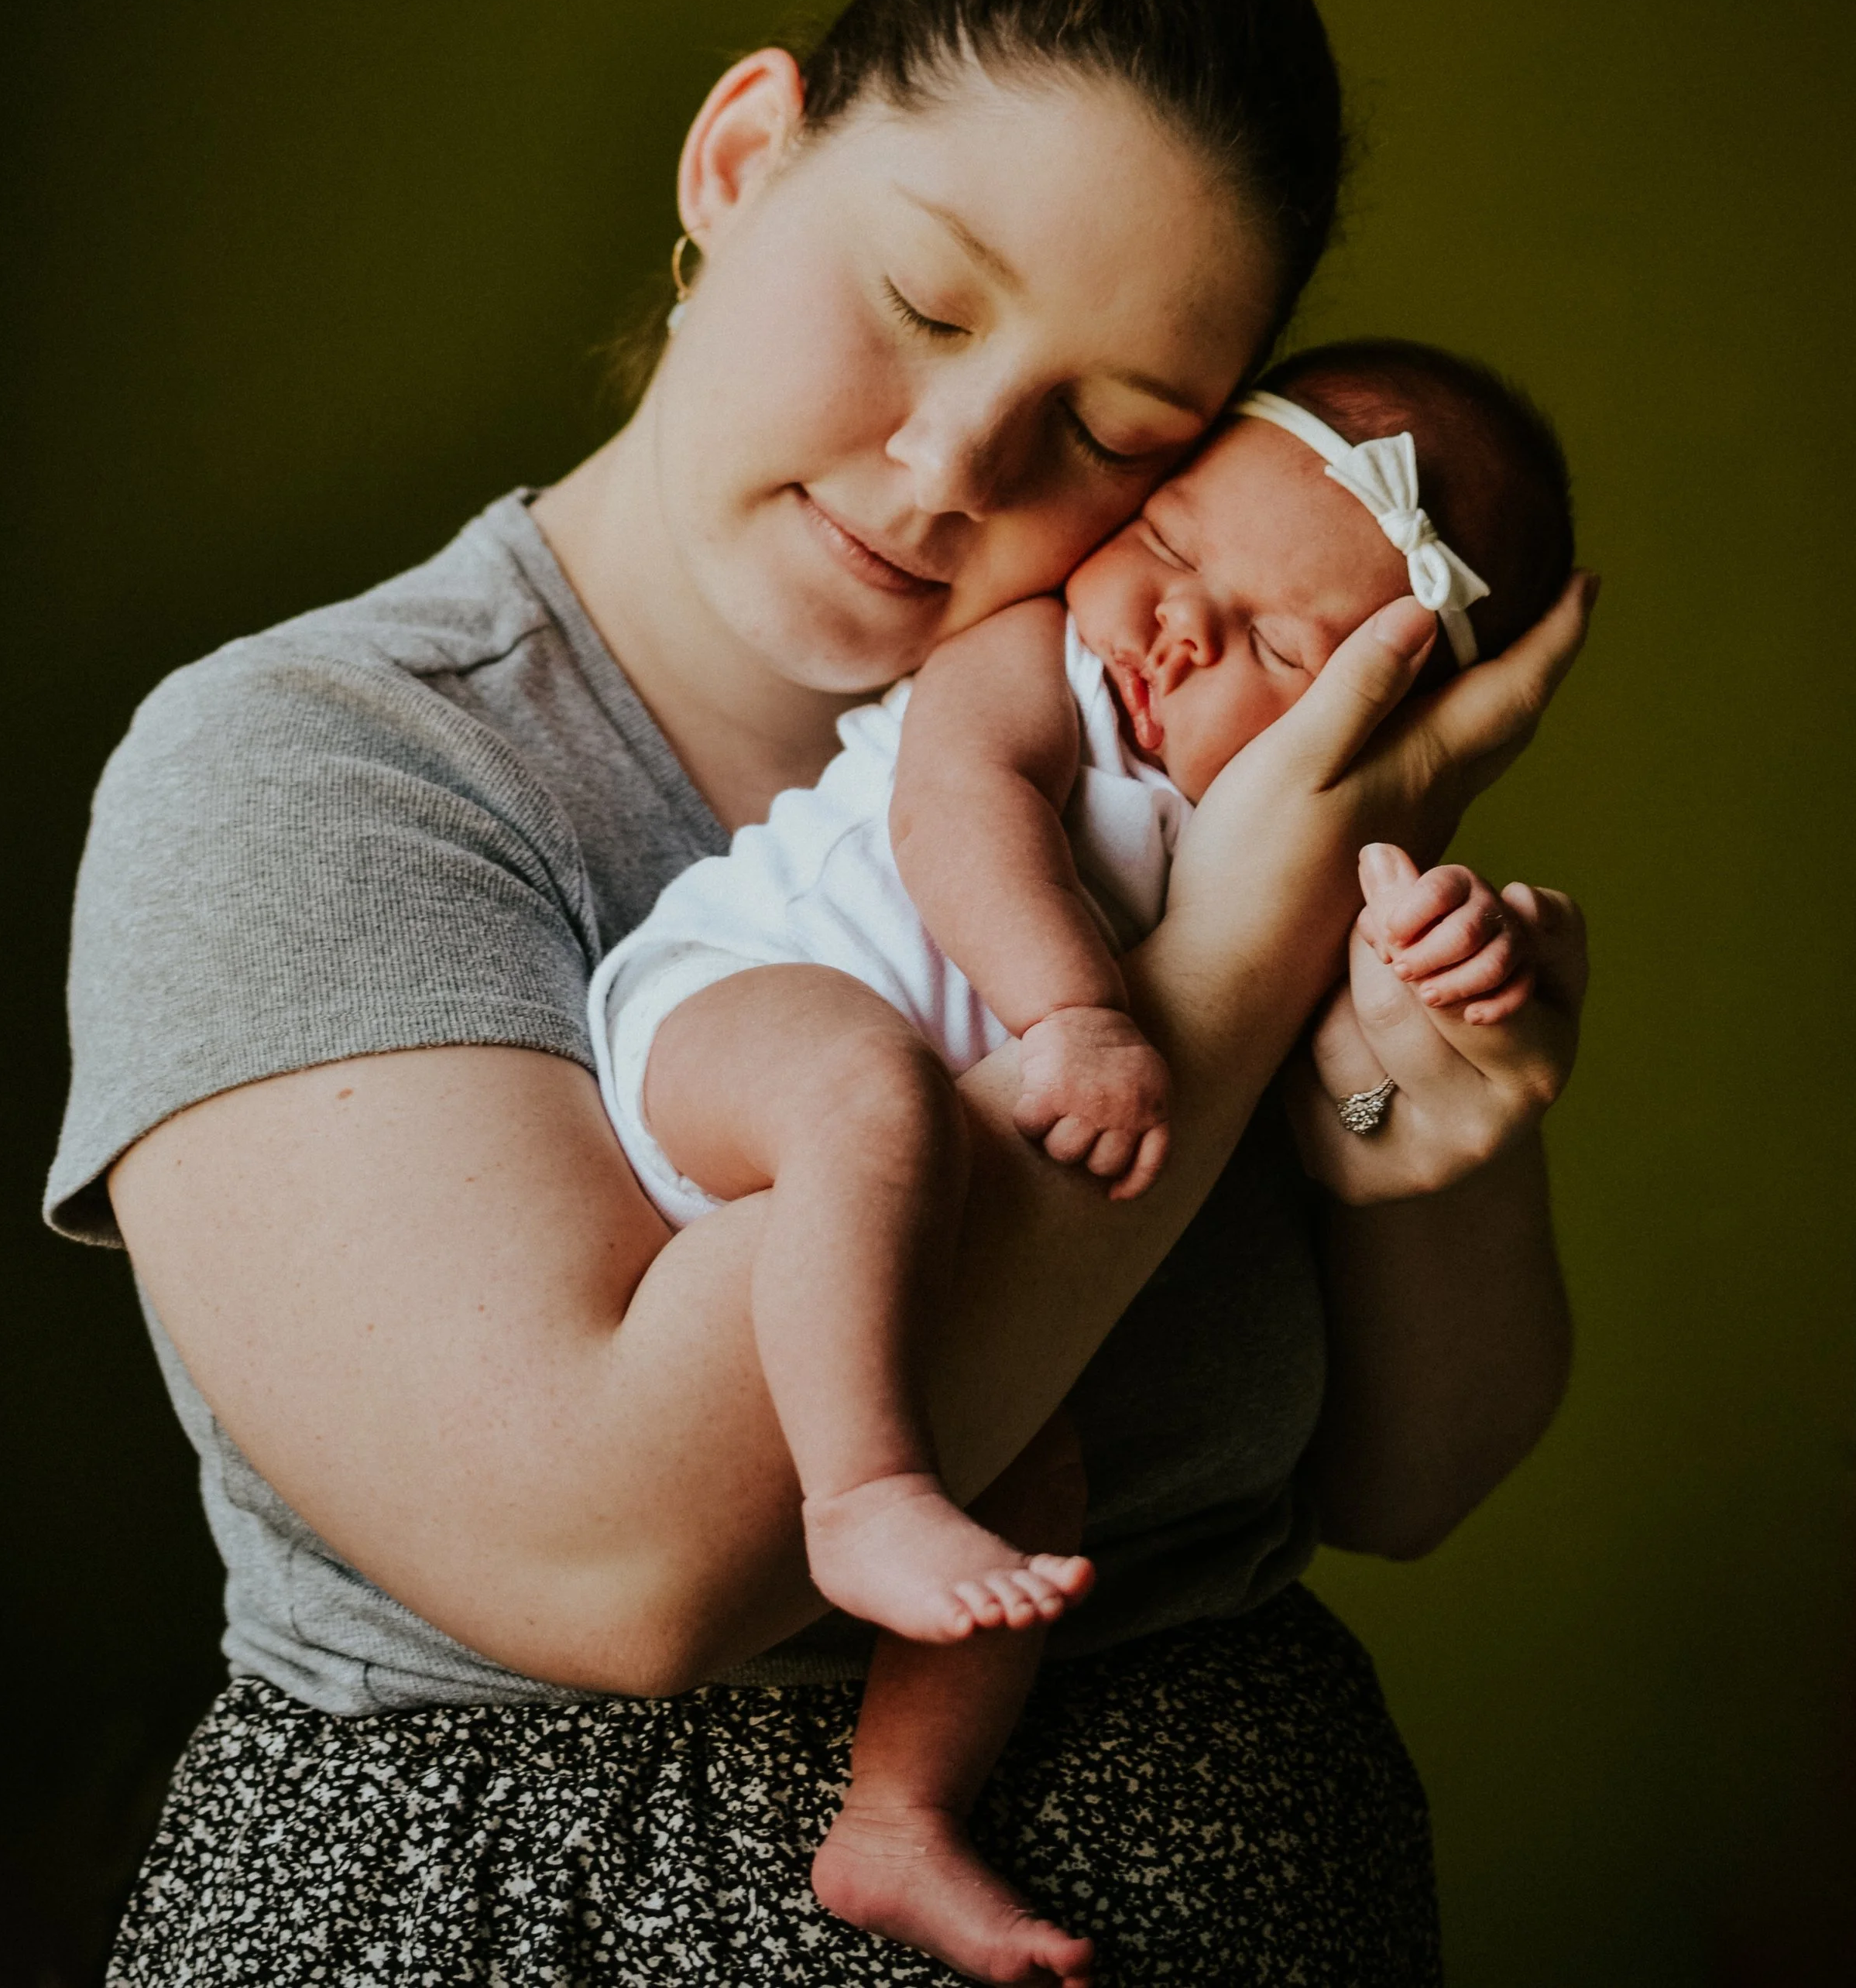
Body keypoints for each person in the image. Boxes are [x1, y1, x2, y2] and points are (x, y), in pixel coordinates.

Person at [48, 0, 1592, 1984]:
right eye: (924, 301)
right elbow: (621, 1562)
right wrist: (1228, 958)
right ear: (741, 157)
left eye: (1108, 424)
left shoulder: (1181, 765)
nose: (956, 455)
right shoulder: (314, 765)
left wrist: (1430, 1124)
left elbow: (1411, 1473)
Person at [585, 336, 1582, 1979]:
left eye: (1274, 639)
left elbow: (1367, 1048)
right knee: (872, 1097)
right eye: (1173, 548)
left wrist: (1452, 941)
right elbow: (955, 808)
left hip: (921, 1193)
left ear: (1369, 711)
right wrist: (1076, 1014)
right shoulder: (1030, 654)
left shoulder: (1280, 837)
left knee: (1042, 1483)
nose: (1176, 624)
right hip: (734, 1027)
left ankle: (895, 1822)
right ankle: (861, 1493)